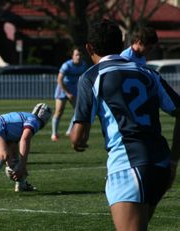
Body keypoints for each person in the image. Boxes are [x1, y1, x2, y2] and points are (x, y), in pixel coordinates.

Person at [70, 19, 180, 231]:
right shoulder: (149, 73)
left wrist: (77, 142)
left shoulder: (92, 76)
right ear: (121, 45)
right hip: (161, 166)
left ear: (89, 48)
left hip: (128, 166)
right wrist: (174, 161)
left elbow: (77, 137)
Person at [0, 103, 52, 197]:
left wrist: (16, 167)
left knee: (14, 159)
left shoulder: (28, 117)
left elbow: (14, 141)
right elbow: (25, 139)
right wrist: (22, 166)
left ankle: (21, 184)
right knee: (2, 155)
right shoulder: (35, 121)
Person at [51, 48, 87, 141]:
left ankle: (69, 131)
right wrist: (67, 93)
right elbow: (59, 80)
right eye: (76, 55)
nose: (78, 57)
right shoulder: (66, 65)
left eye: (80, 55)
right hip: (62, 89)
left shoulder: (83, 65)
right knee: (59, 111)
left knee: (78, 111)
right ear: (72, 56)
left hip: (74, 90)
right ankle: (54, 134)